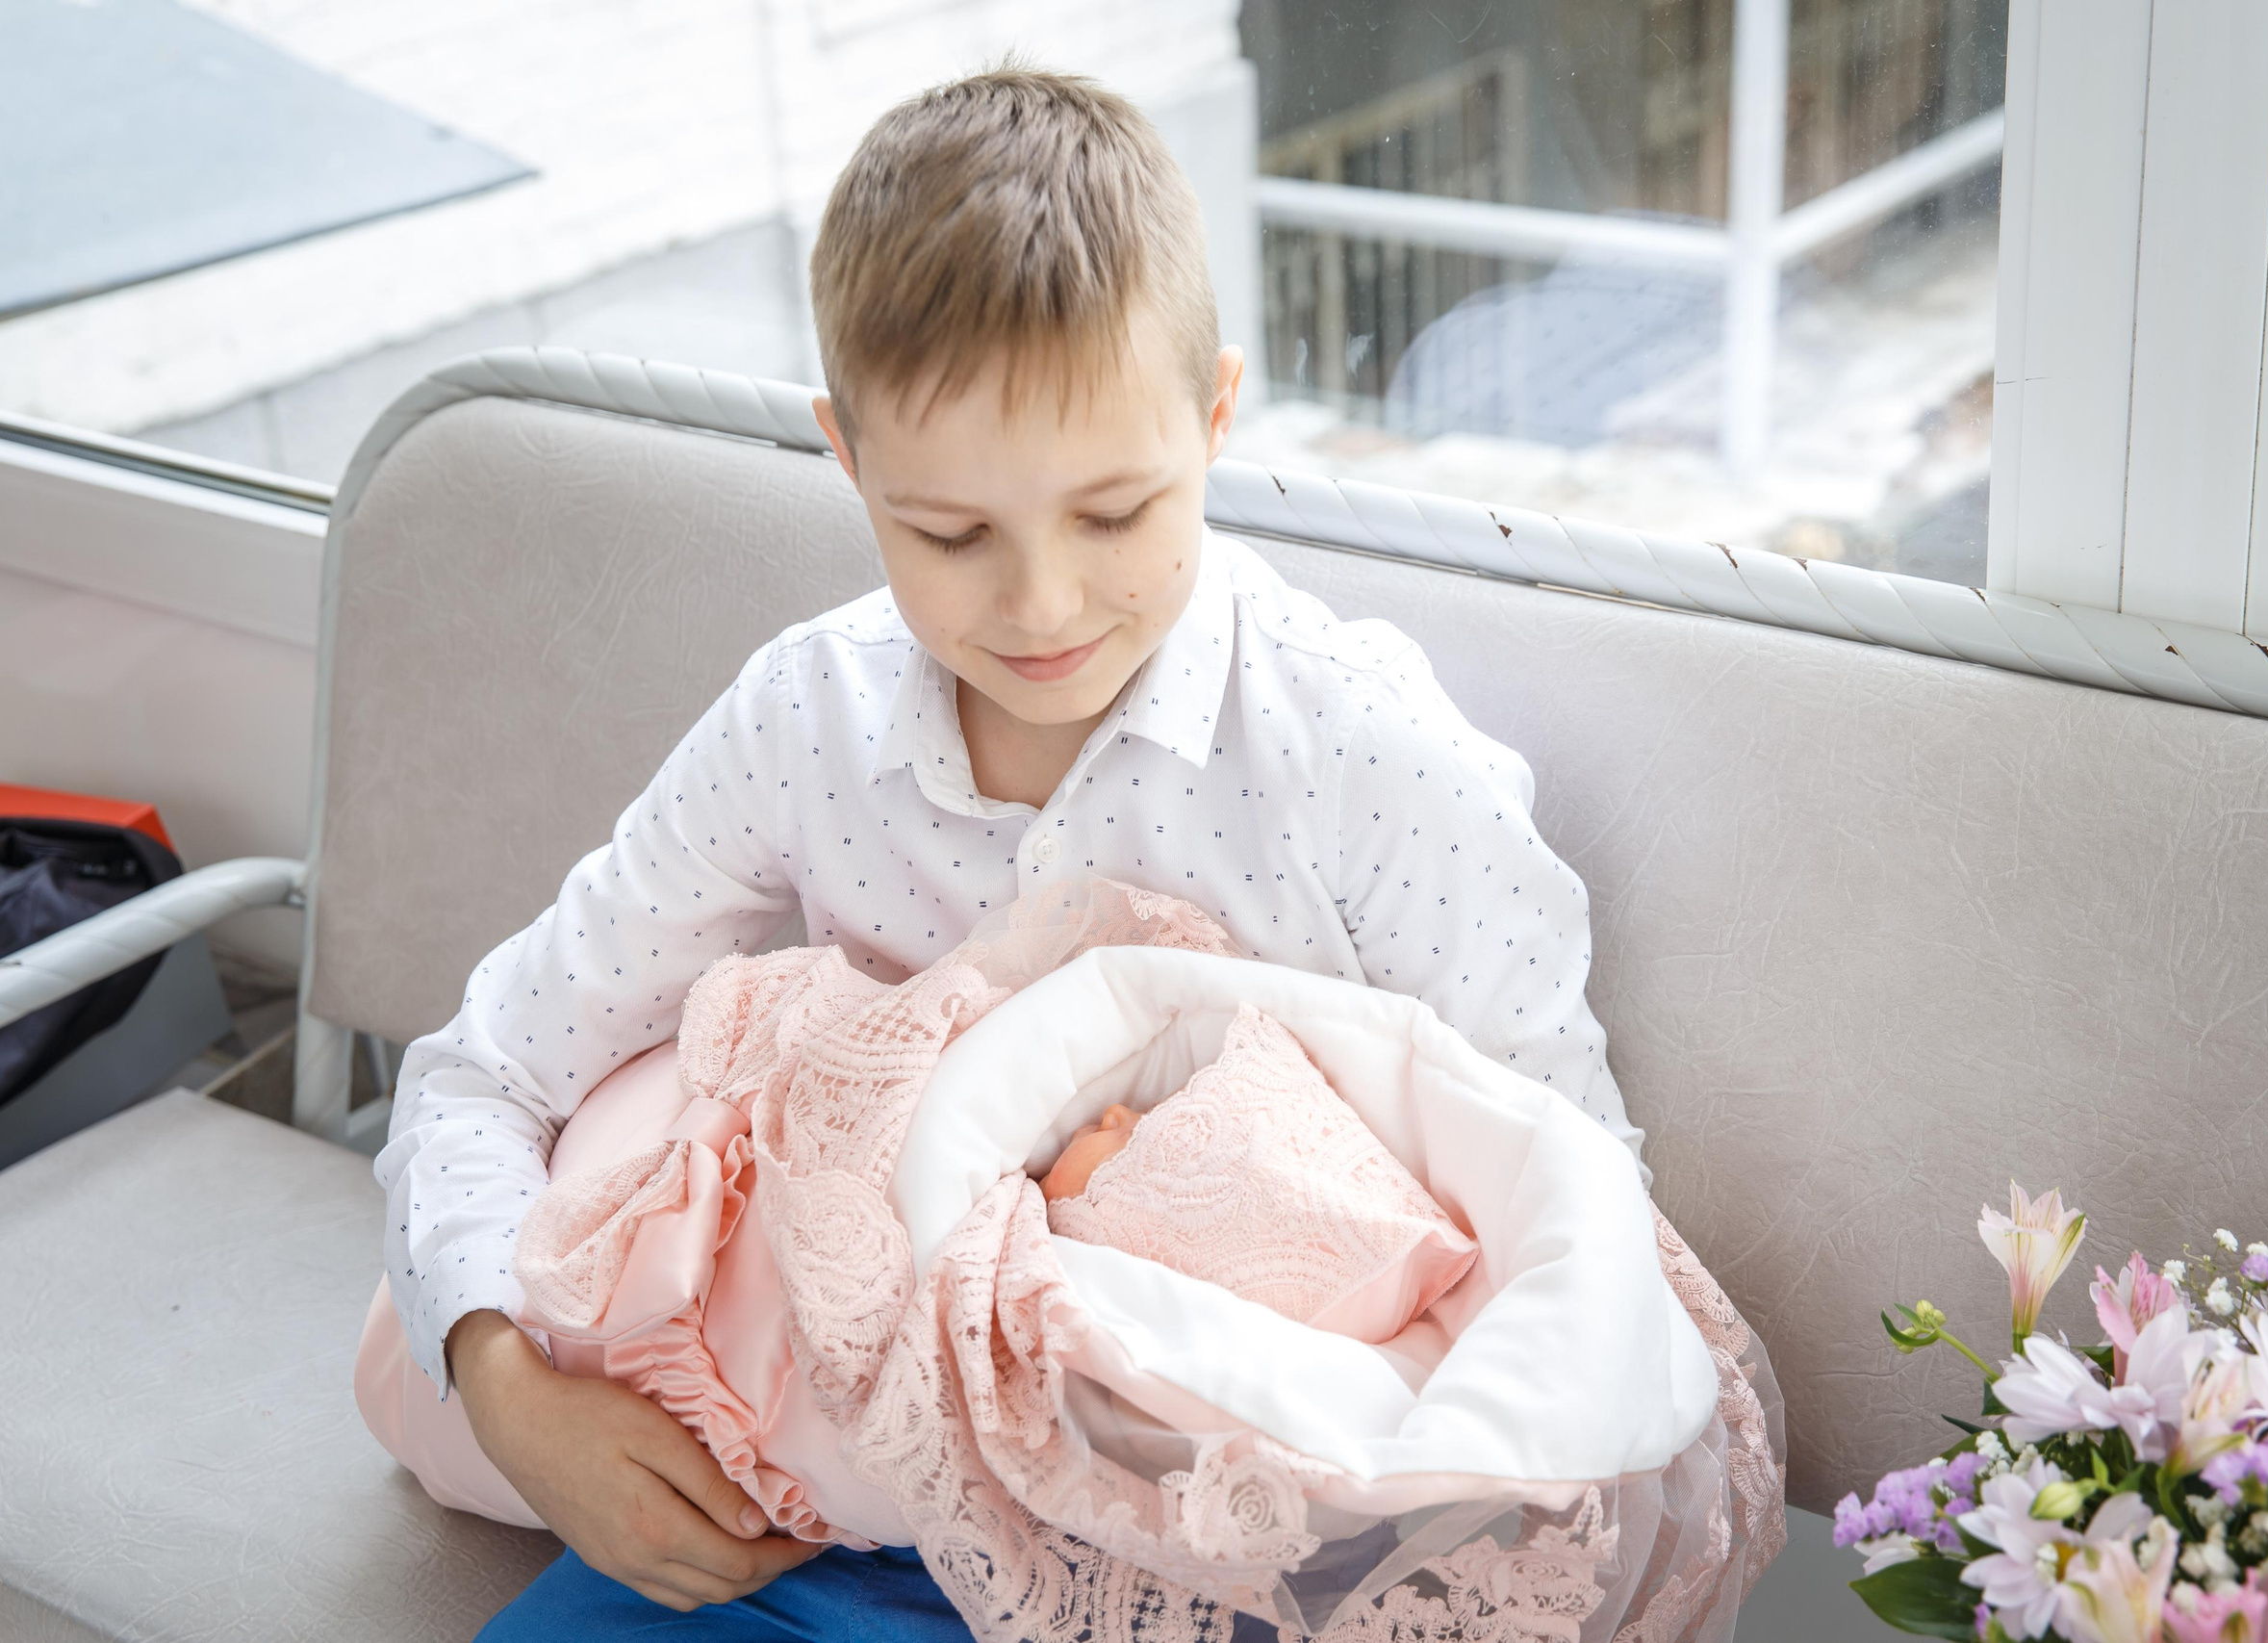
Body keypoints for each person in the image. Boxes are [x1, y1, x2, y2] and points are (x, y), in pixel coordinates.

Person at [377, 62, 1632, 1640]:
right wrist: (507, 1389)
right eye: (950, 535)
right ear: (847, 459)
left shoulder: (1364, 758)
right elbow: (487, 1073)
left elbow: (1581, 1207)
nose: (1038, 609)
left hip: (1215, 1556)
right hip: (812, 1519)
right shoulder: (805, 720)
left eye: (1116, 512)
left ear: (1218, 416)